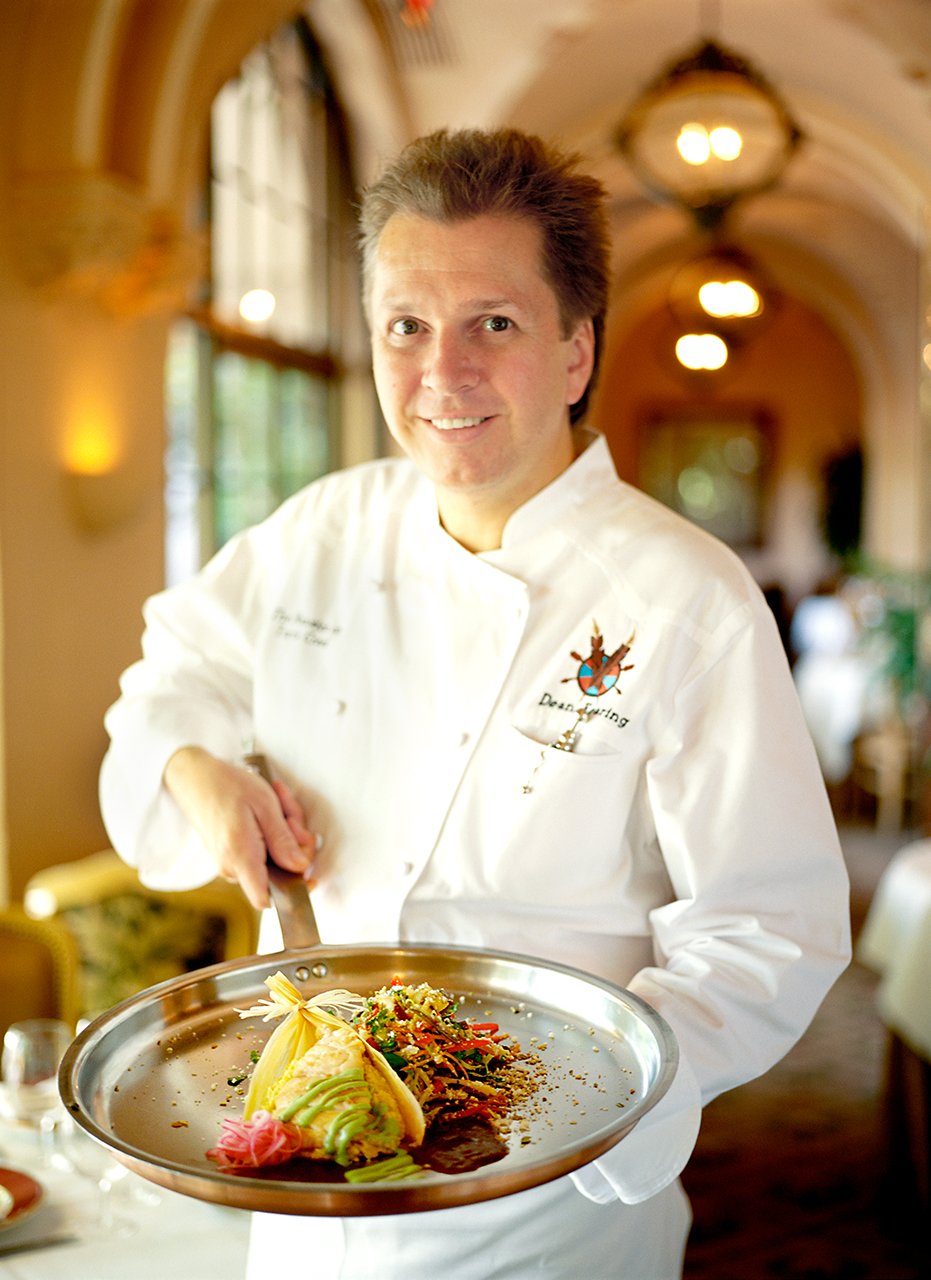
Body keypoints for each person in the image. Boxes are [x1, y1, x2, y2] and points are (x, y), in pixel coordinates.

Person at [100, 128, 851, 1279]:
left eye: (492, 323)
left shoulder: (684, 598)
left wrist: (582, 1105)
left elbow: (771, 926)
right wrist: (191, 771)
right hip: (303, 1170)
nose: (440, 374)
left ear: (573, 351)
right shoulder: (321, 529)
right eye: (406, 325)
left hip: (545, 1199)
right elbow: (168, 679)